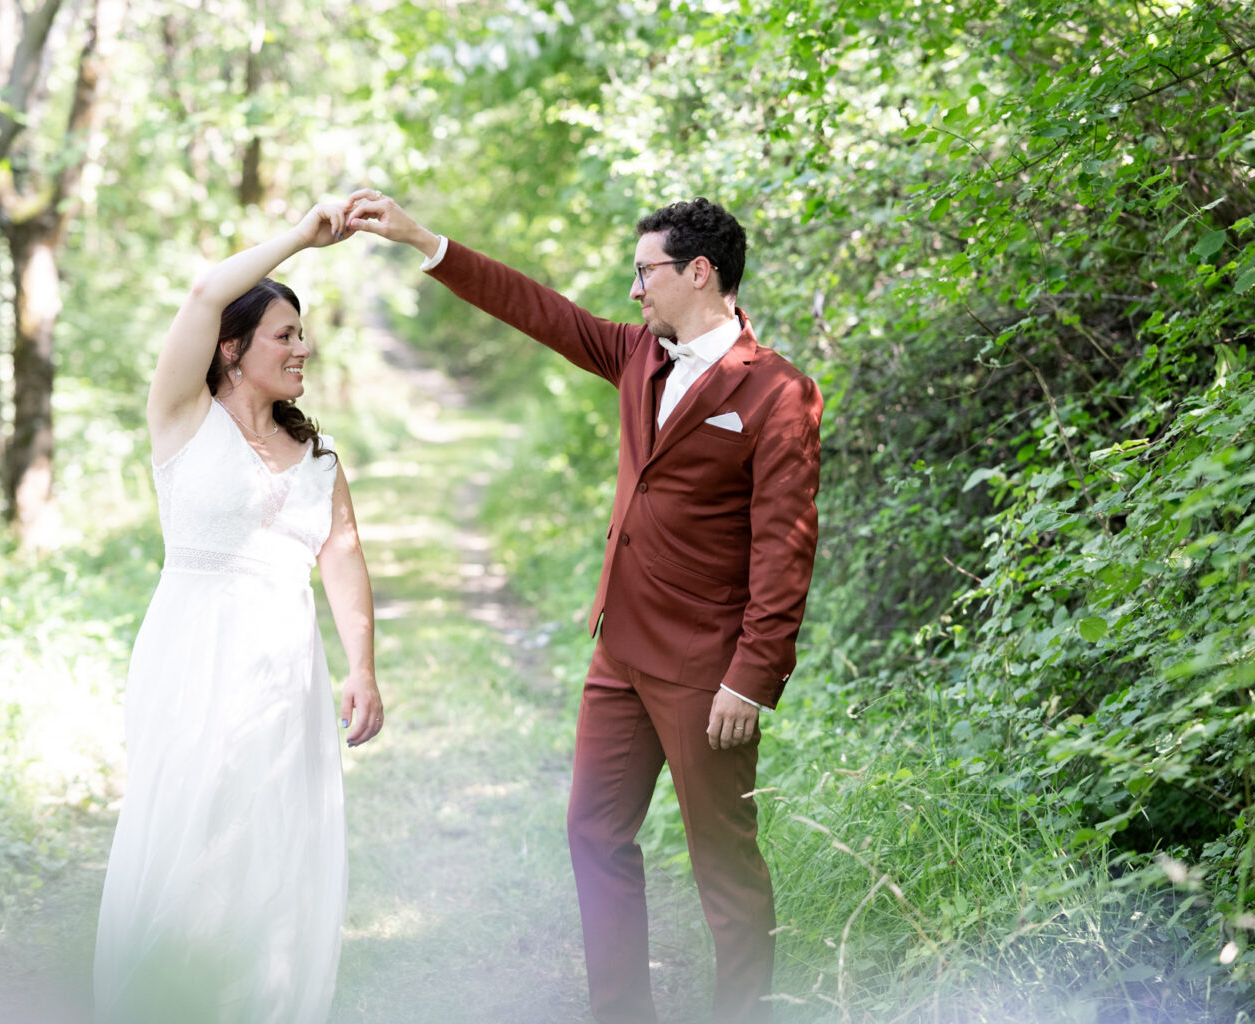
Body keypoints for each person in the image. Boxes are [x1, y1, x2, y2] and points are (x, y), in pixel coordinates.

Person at [345, 190, 820, 1024]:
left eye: (646, 273)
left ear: (699, 272)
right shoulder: (639, 355)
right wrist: (423, 239)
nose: (634, 291)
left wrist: (750, 679)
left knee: (725, 870)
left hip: (706, 674)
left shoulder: (780, 394)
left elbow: (785, 547)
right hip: (619, 655)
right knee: (594, 835)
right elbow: (537, 309)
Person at [93, 200, 382, 1024]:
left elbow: (343, 555)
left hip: (286, 668)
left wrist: (362, 668)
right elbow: (199, 296)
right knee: (190, 830)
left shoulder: (317, 457)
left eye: (302, 335)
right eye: (284, 335)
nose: (302, 348)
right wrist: (301, 236)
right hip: (192, 655)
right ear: (233, 349)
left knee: (271, 844)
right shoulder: (183, 419)